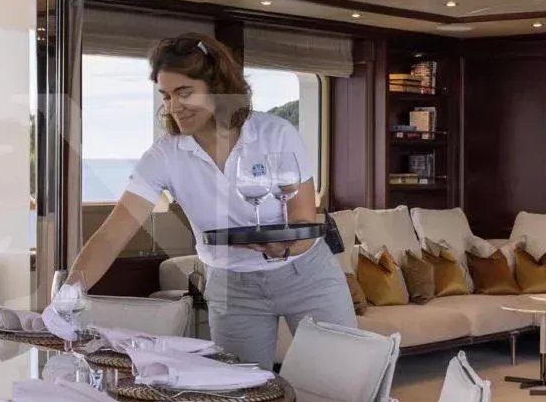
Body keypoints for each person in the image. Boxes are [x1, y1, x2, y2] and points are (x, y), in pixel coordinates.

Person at [66, 32, 353, 367]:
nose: (173, 107)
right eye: (166, 96)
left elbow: (303, 217)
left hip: (305, 274)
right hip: (231, 287)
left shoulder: (275, 134)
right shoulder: (165, 155)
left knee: (339, 376)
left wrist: (283, 246)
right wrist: (67, 295)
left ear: (217, 87)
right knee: (240, 390)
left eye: (184, 92)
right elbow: (112, 234)